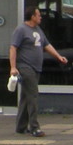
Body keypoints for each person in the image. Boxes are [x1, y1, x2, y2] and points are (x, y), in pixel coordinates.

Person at [8, 7, 67, 137]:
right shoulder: (21, 30)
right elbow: (13, 48)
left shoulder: (38, 30)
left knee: (26, 96)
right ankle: (35, 127)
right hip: (25, 67)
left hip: (36, 68)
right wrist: (13, 67)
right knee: (33, 95)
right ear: (32, 17)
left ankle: (20, 127)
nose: (40, 17)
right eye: (38, 15)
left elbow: (46, 45)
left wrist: (58, 56)